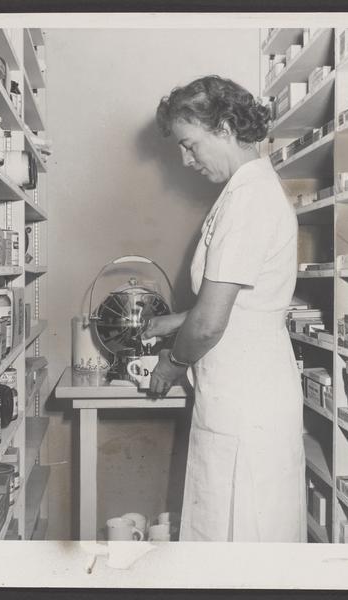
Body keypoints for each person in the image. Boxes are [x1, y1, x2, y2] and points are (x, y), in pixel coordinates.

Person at [143, 75, 306, 542]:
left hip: (247, 403)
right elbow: (243, 305)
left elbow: (211, 323)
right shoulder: (244, 192)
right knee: (233, 531)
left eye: (190, 145)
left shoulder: (249, 199)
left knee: (243, 536)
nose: (185, 159)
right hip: (244, 392)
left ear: (226, 127)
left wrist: (173, 362)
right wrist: (178, 320)